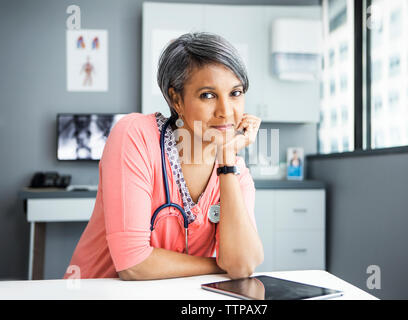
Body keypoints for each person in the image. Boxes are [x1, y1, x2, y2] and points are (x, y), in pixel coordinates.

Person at [63, 32, 264, 281]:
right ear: (176, 99)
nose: (226, 112)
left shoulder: (235, 173)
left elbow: (243, 266)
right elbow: (133, 264)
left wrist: (226, 160)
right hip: (98, 292)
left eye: (235, 93)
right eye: (208, 95)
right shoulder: (135, 136)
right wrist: (221, 265)